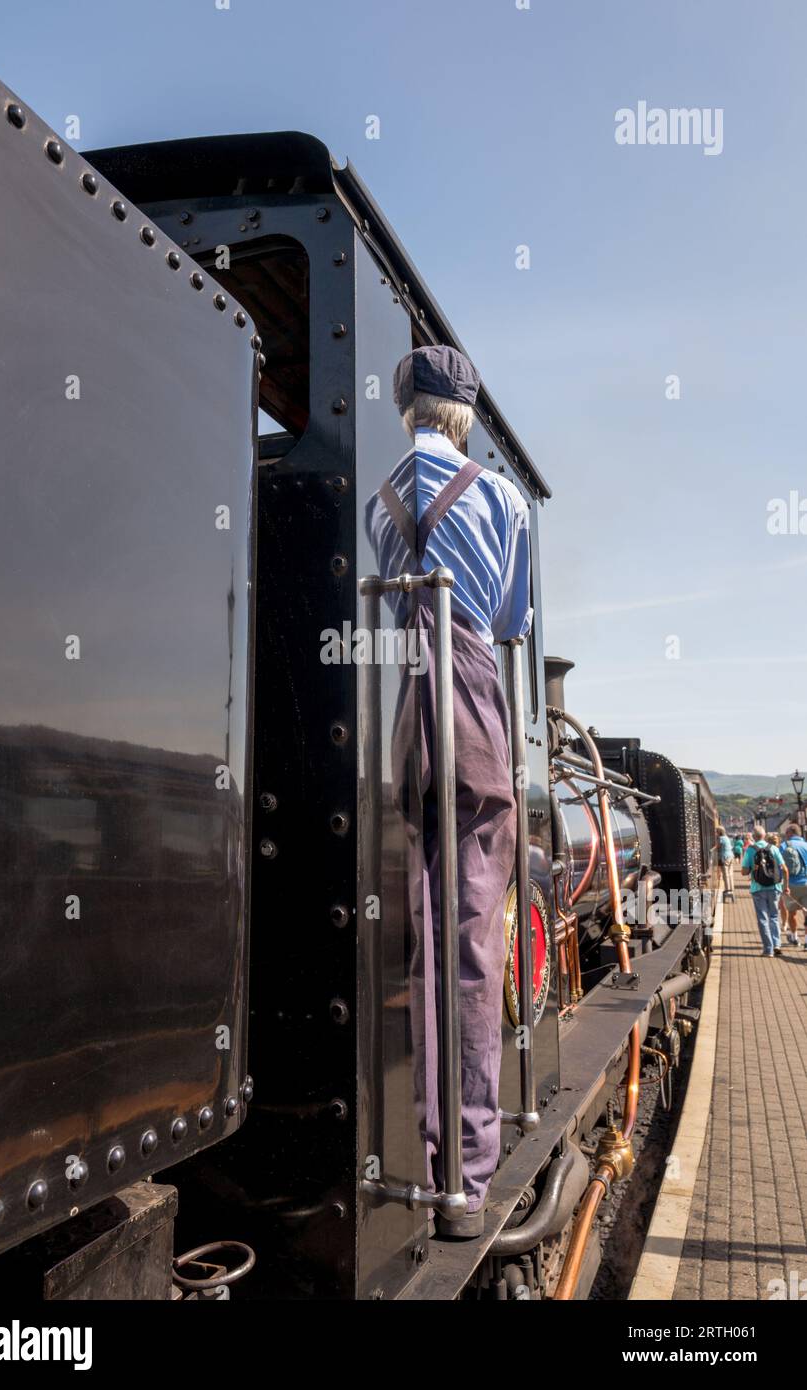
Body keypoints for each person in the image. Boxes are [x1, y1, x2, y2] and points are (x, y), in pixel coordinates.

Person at [366, 344, 532, 1238]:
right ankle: (465, 1174)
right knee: (473, 940)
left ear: (406, 413)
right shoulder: (501, 497)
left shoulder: (377, 503)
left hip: (408, 711)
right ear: (465, 415)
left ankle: (422, 1148)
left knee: (427, 931)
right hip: (469, 700)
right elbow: (509, 621)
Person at [741, 825, 789, 956]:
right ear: (764, 835)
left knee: (763, 918)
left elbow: (744, 871)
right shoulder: (773, 848)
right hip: (774, 888)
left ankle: (768, 950)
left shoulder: (751, 850)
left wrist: (752, 868)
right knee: (774, 916)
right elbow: (784, 869)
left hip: (758, 889)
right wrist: (786, 887)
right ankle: (777, 944)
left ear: (754, 837)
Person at [780, 822, 807, 947]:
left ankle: (795, 937)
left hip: (790, 885)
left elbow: (779, 866)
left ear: (791, 833)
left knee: (792, 913)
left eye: (786, 832)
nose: (785, 835)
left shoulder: (784, 845)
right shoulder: (806, 845)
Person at [716, 825, 735, 902]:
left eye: (716, 831)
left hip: (724, 857)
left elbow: (717, 847)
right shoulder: (727, 838)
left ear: (719, 832)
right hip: (730, 856)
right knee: (730, 874)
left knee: (725, 874)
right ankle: (731, 888)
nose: (715, 833)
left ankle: (727, 889)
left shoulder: (721, 838)